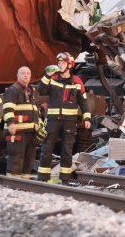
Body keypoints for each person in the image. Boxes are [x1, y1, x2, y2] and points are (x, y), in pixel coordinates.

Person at [36, 52, 92, 183]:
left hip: (69, 122)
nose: (59, 65)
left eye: (62, 63)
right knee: (47, 147)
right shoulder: (53, 78)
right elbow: (41, 90)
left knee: (67, 150)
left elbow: (83, 102)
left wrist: (87, 118)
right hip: (53, 120)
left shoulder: (77, 82)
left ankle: (65, 179)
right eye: (58, 63)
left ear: (69, 65)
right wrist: (47, 76)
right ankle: (43, 178)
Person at [2, 66, 38, 177]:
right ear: (18, 75)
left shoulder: (31, 90)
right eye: (23, 73)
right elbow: (8, 108)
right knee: (16, 156)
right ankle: (13, 181)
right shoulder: (13, 90)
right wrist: (11, 123)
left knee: (29, 157)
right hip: (17, 130)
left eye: (28, 73)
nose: (26, 75)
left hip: (30, 131)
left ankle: (24, 182)